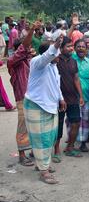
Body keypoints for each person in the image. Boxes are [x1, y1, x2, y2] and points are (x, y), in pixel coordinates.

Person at [24, 35, 66, 184]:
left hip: (50, 107)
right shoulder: (37, 62)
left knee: (50, 138)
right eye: (57, 52)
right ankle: (44, 171)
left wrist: (61, 99)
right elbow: (48, 55)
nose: (59, 55)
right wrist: (55, 45)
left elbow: (56, 85)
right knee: (41, 140)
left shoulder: (53, 67)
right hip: (37, 106)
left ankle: (42, 164)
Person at [7, 21, 41, 166]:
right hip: (22, 99)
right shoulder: (13, 61)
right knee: (23, 127)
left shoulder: (29, 60)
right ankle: (21, 155)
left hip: (34, 98)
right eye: (29, 48)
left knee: (33, 126)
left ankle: (33, 150)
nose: (31, 50)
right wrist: (32, 29)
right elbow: (25, 46)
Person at [54, 37, 84, 161]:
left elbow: (76, 79)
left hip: (73, 98)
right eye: (68, 46)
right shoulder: (55, 60)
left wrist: (81, 96)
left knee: (76, 122)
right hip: (59, 99)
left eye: (72, 46)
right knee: (58, 125)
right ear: (61, 48)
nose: (71, 48)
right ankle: (56, 150)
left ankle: (70, 148)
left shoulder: (73, 61)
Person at [68, 39, 89, 153]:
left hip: (87, 96)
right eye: (78, 46)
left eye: (83, 47)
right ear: (74, 48)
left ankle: (83, 142)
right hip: (72, 96)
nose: (81, 48)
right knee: (71, 120)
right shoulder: (71, 59)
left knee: (85, 120)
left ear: (87, 49)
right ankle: (71, 142)